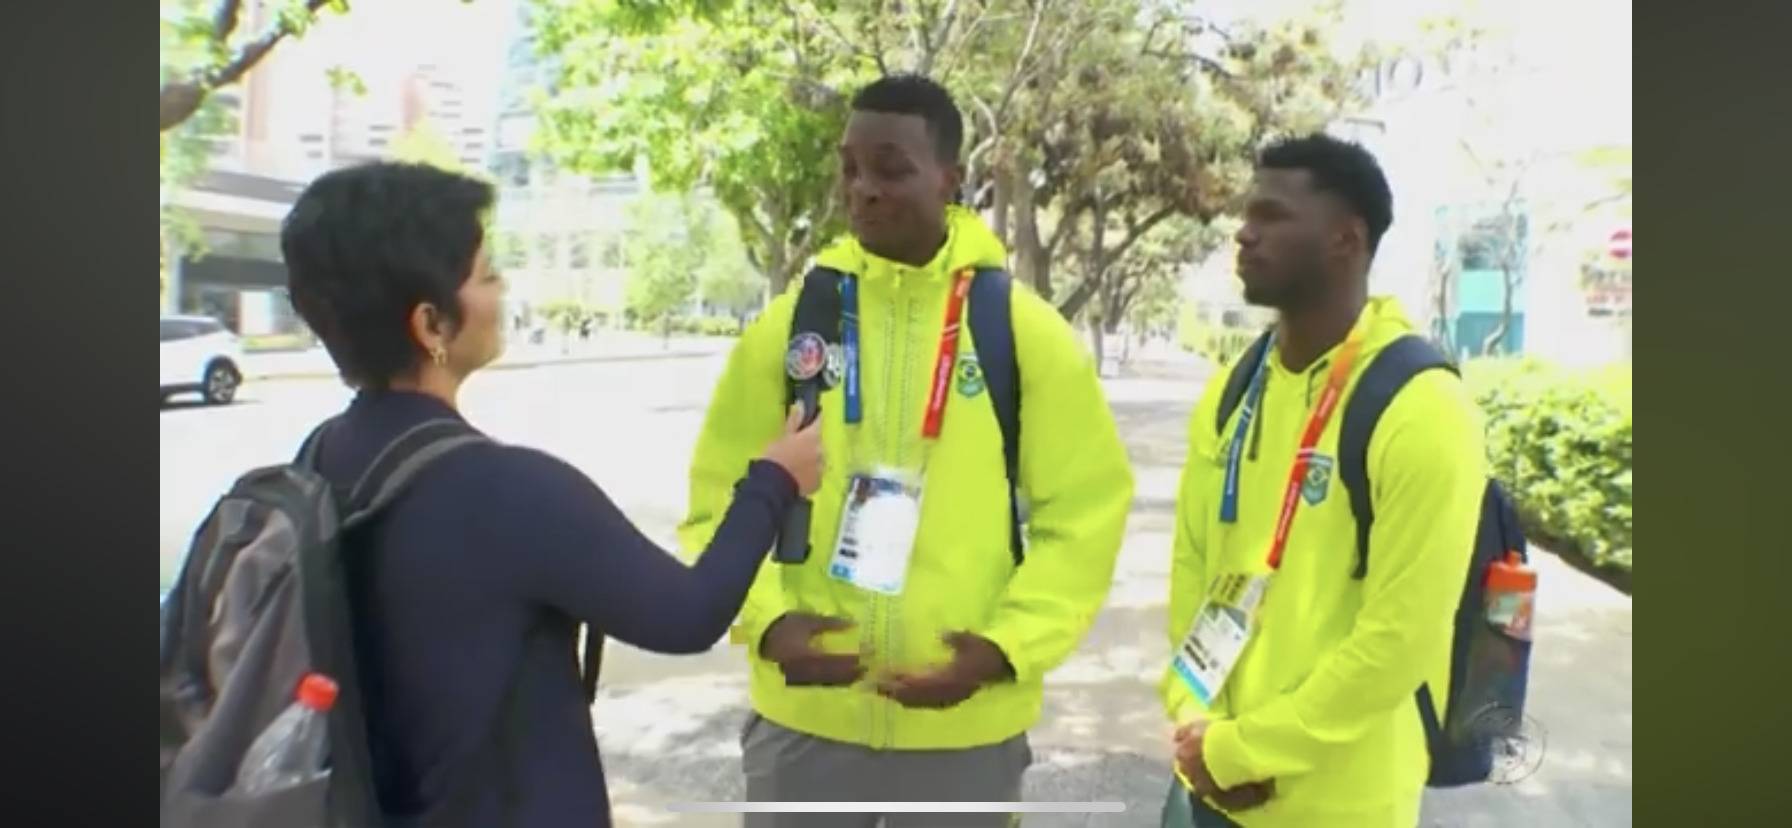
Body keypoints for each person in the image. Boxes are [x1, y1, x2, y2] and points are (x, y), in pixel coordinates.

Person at [280, 161, 823, 827]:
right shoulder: (509, 494)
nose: (501, 285)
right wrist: (775, 481)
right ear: (430, 325)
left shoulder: (315, 463)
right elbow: (688, 614)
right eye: (485, 274)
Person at [679, 74, 1135, 827]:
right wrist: (765, 623)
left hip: (964, 735)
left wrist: (1002, 647)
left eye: (891, 168)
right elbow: (717, 500)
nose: (863, 190)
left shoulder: (1023, 334)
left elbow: (1084, 516)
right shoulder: (793, 326)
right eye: (850, 168)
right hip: (805, 727)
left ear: (952, 179)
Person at [1158, 134, 1486, 826]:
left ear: (1345, 238)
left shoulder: (1421, 406)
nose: (1244, 233)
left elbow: (1401, 640)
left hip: (1338, 804)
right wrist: (1196, 719)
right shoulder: (1233, 391)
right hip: (1207, 780)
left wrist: (1246, 752)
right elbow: (1193, 565)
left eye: (1273, 216)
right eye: (1248, 213)